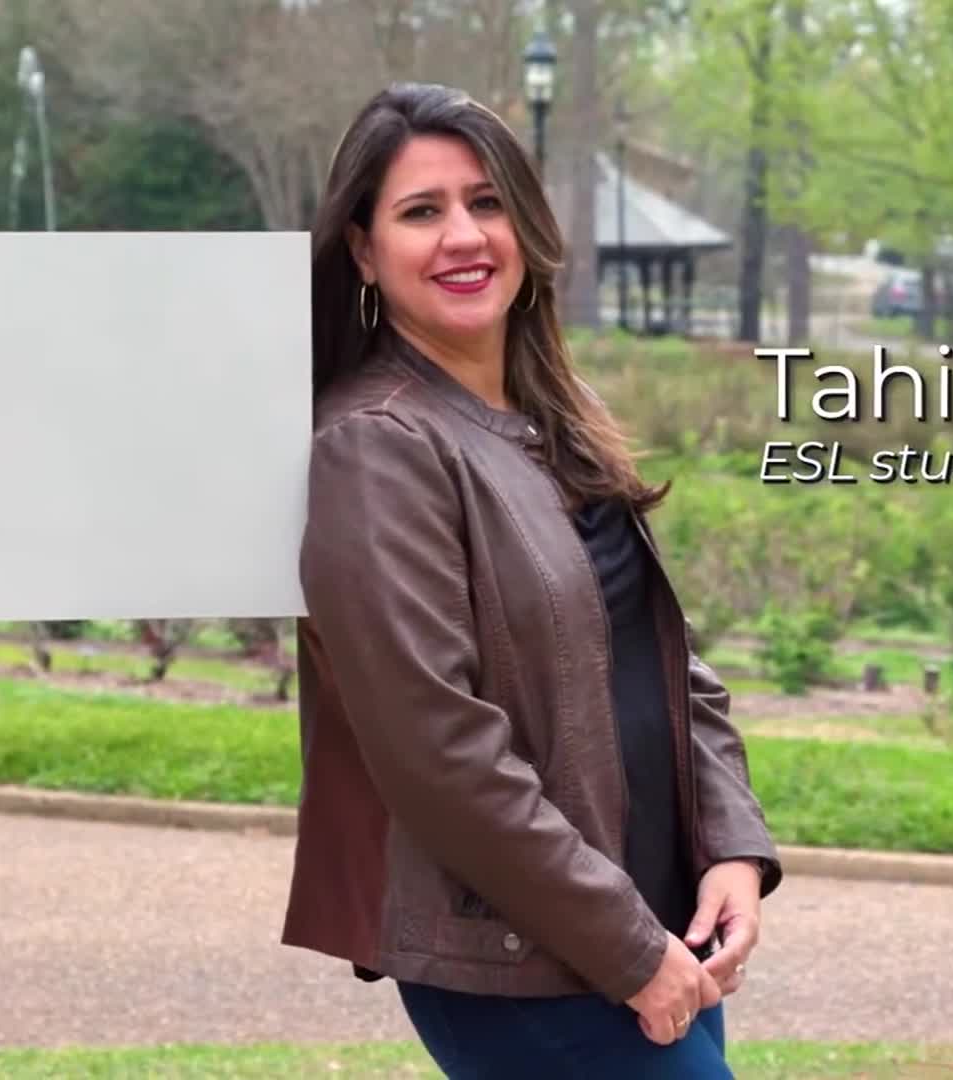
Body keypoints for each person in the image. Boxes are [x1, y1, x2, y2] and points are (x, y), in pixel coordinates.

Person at [278, 82, 784, 1079]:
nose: (464, 235)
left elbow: (663, 662)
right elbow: (438, 751)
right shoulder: (376, 447)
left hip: (653, 922)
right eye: (421, 211)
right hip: (525, 957)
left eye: (487, 201)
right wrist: (627, 949)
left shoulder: (552, 417)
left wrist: (730, 843)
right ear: (364, 251)